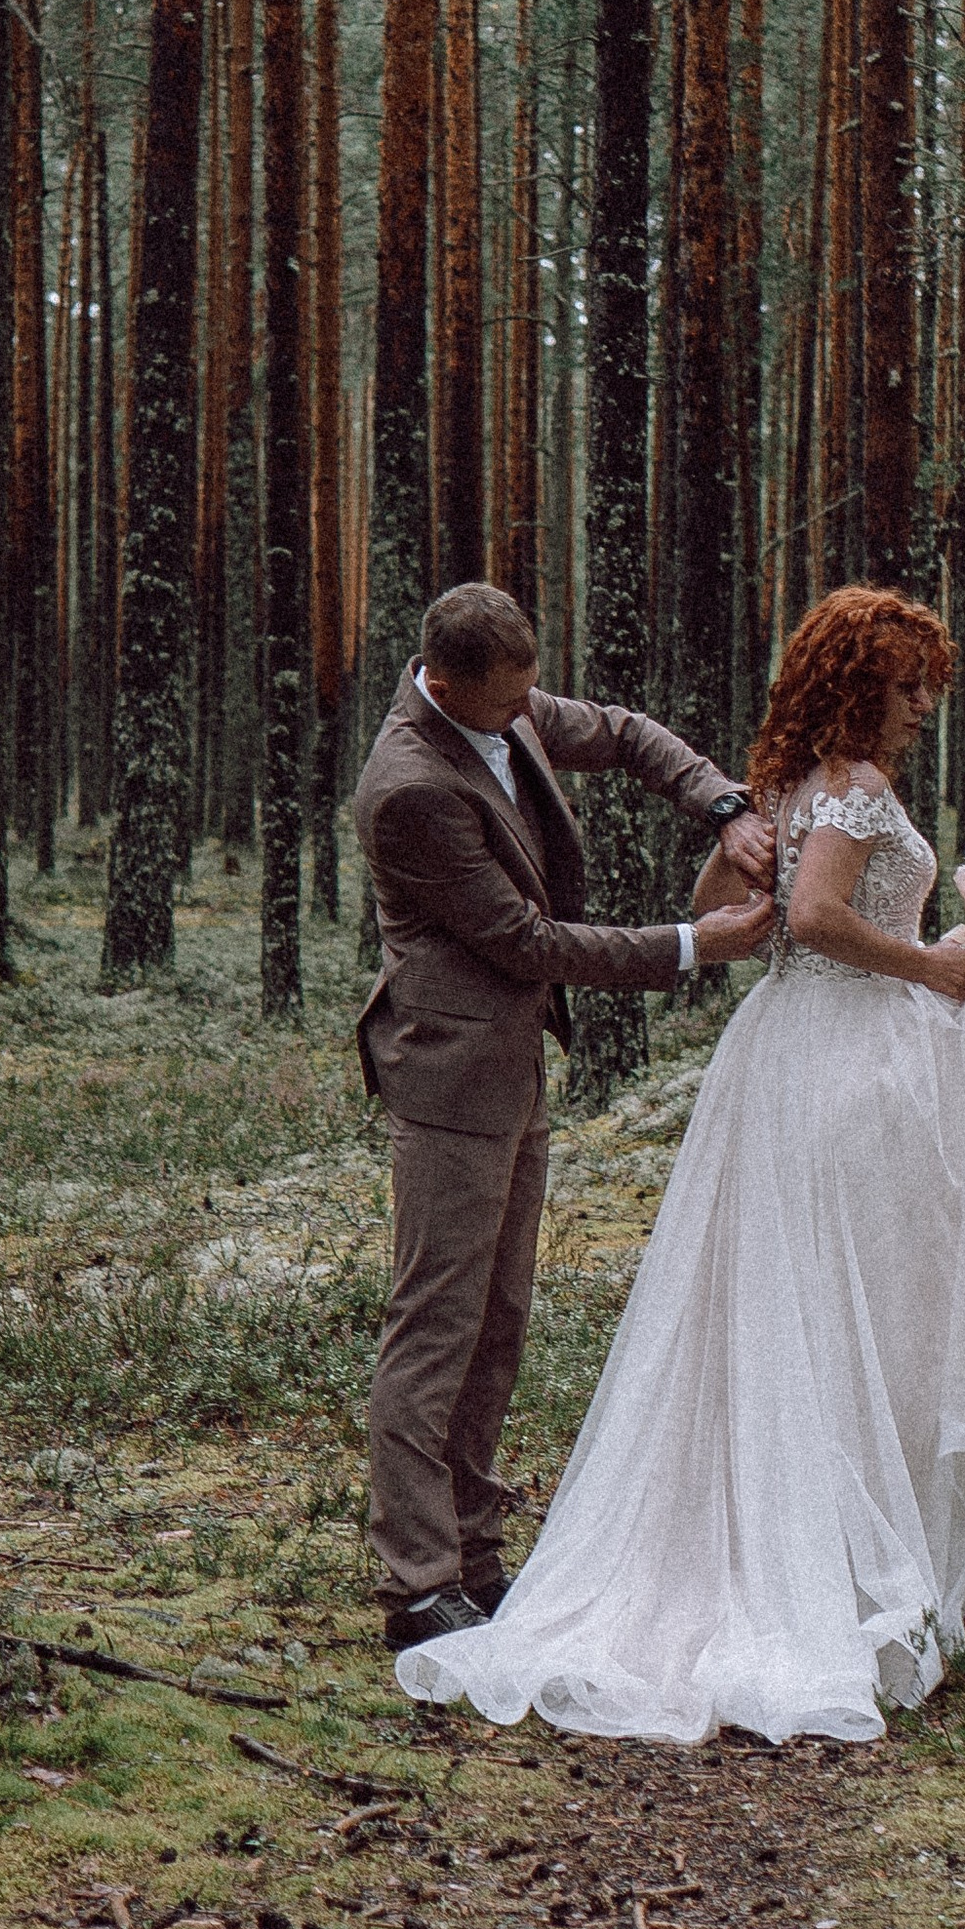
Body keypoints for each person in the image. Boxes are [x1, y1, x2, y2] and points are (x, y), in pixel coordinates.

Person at [394, 584, 965, 1746]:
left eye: (928, 684)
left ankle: (855, 1543)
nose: (924, 705)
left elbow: (719, 897)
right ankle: (841, 1563)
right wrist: (928, 966)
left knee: (819, 1308)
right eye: (907, 684)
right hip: (846, 1063)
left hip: (787, 1056)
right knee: (863, 1308)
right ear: (855, 684)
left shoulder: (779, 789)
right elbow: (817, 917)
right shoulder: (853, 791)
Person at [350, 581, 777, 1653]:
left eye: (532, 689)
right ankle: (417, 1582)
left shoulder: (508, 702)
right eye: (506, 701)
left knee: (498, 1324)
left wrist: (722, 801)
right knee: (434, 1325)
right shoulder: (410, 788)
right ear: (441, 684)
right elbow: (523, 941)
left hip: (515, 1070)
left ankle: (477, 1554)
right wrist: (695, 946)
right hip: (448, 1080)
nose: (527, 712)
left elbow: (626, 735)